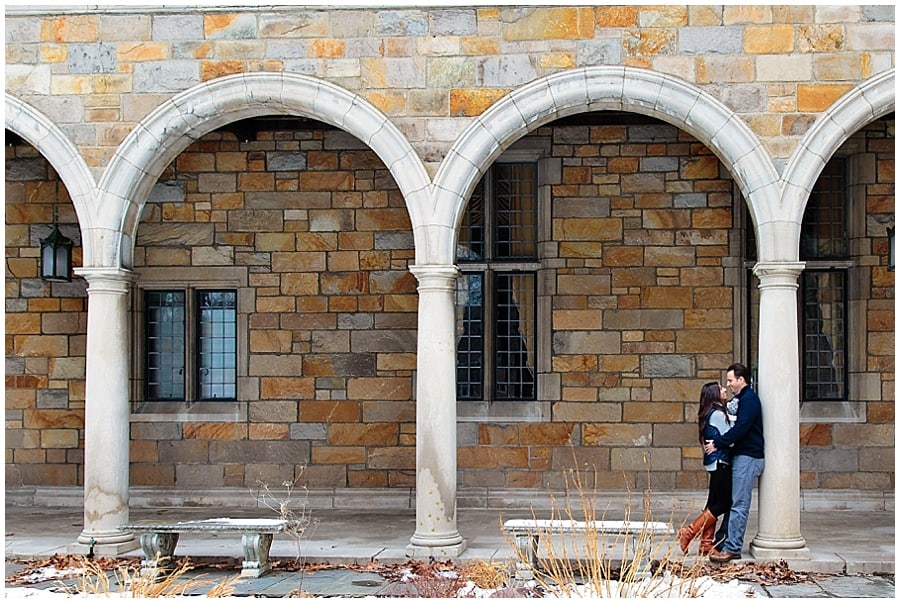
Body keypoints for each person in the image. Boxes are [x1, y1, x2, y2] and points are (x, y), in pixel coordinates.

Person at [704, 362, 764, 563]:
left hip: (748, 457)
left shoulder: (749, 400)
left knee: (739, 503)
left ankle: (732, 548)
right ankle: (721, 543)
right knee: (733, 502)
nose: (728, 384)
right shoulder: (741, 399)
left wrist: (718, 443)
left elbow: (741, 429)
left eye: (730, 380)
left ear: (741, 379)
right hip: (741, 456)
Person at [679, 382, 733, 555]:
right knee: (724, 503)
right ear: (714, 394)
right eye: (721, 388)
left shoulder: (712, 413)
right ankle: (689, 533)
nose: (725, 389)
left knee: (713, 503)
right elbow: (731, 438)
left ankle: (706, 544)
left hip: (715, 462)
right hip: (720, 463)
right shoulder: (717, 414)